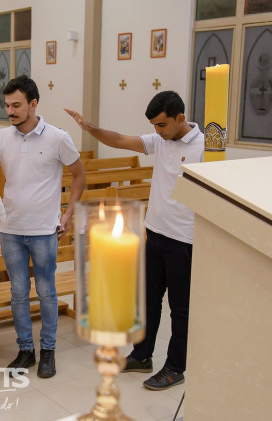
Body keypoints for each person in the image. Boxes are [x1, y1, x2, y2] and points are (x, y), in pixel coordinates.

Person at [64, 90, 204, 391]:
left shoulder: (205, 147)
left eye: (162, 124)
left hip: (184, 239)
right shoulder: (160, 140)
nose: (157, 131)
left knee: (180, 310)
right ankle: (142, 356)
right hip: (155, 233)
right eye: (154, 126)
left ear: (180, 118)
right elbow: (119, 139)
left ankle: (175, 367)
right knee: (147, 301)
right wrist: (89, 128)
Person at [0, 75, 85, 379]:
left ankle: (48, 350)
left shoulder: (58, 137)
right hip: (10, 228)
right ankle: (25, 350)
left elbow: (79, 175)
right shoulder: (1, 137)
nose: (9, 111)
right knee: (18, 291)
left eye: (16, 105)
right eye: (7, 105)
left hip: (44, 229)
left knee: (46, 290)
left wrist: (69, 212)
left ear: (33, 104)